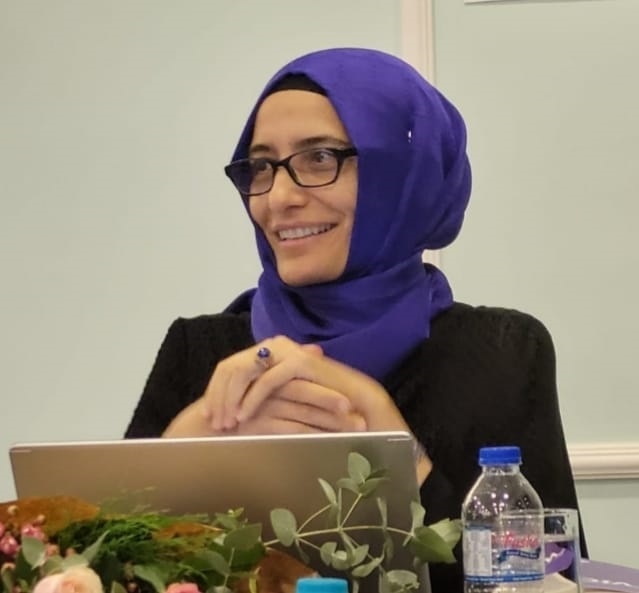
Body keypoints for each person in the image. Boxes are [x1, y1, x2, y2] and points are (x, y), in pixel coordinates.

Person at [124, 47, 586, 592]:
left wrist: (389, 441)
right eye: (261, 166)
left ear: (402, 175)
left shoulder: (500, 352)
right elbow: (99, 569)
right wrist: (195, 432)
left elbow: (553, 581)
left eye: (319, 158)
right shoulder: (199, 350)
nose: (278, 197)